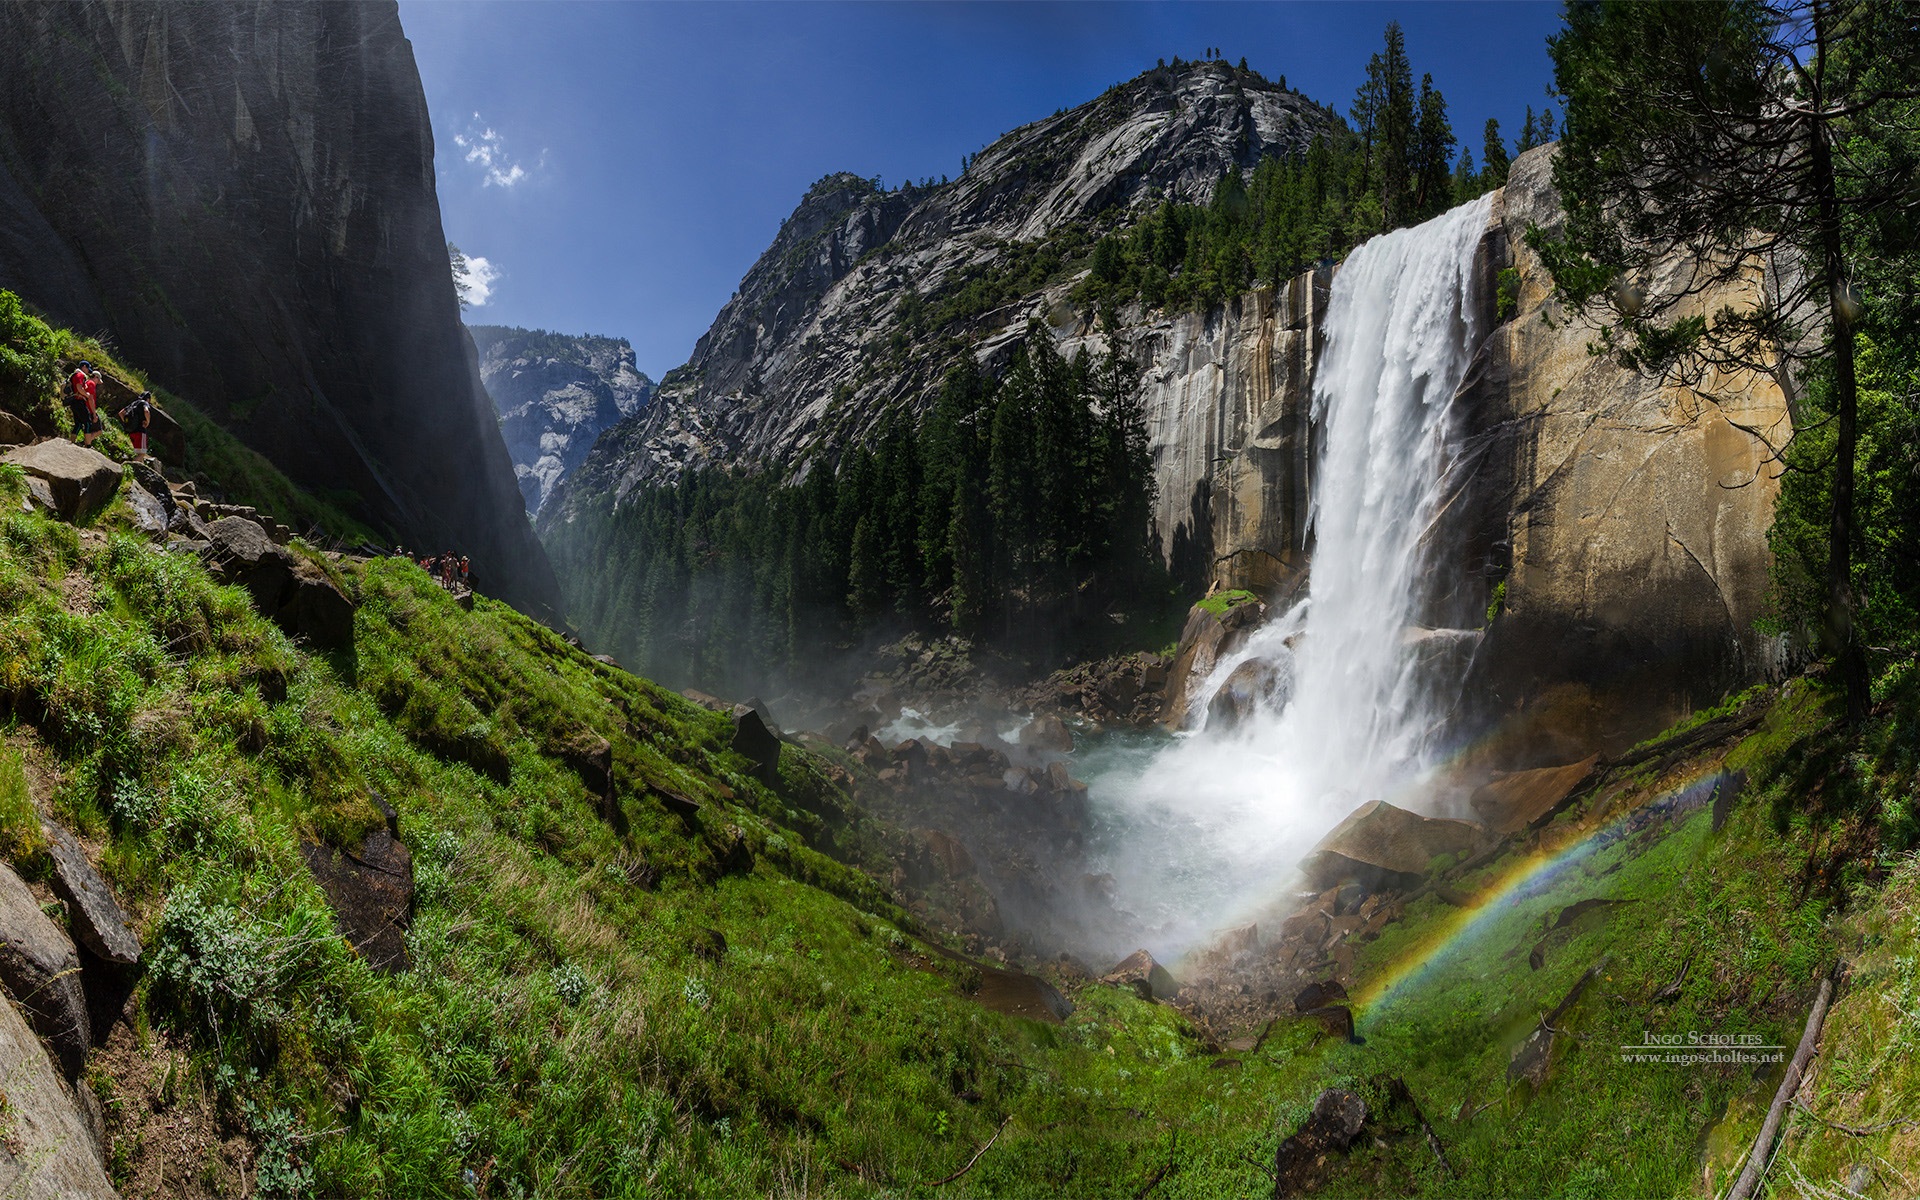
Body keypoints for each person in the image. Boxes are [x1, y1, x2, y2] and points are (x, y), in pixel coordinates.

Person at [118, 390, 154, 463]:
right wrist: (148, 422)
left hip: (131, 431)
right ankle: (129, 466)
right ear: (148, 399)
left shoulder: (134, 403)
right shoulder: (145, 403)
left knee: (139, 454)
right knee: (142, 454)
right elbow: (146, 411)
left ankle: (138, 471)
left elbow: (121, 413)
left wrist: (127, 423)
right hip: (140, 431)